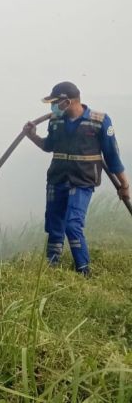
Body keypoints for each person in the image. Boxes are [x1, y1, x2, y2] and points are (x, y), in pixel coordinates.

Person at [23, 81, 129, 276]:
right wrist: (32, 136)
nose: (53, 107)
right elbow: (48, 146)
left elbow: (112, 156)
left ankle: (83, 270)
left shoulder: (99, 121)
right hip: (57, 179)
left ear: (67, 101)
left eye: (55, 102)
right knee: (54, 224)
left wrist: (124, 184)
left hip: (82, 181)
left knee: (72, 225)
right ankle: (51, 267)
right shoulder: (56, 121)